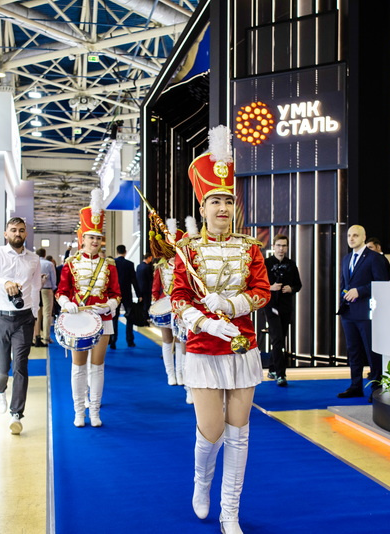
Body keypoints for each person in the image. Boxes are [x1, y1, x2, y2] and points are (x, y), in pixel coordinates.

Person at [170, 125, 270, 534]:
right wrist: (206, 320)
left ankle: (231, 512)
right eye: (215, 201)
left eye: (228, 201)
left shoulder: (250, 247)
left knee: (239, 433)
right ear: (203, 206)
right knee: (211, 431)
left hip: (242, 347)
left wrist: (231, 305)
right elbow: (178, 297)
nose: (223, 208)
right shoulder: (188, 251)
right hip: (203, 347)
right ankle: (201, 481)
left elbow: (262, 291)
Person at [56, 188, 121, 428]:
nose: (95, 241)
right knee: (78, 367)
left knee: (98, 367)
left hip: (103, 320)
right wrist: (66, 303)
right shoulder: (70, 264)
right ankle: (78, 411)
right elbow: (61, 291)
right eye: (91, 237)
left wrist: (110, 305)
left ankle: (94, 410)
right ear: (82, 239)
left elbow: (116, 293)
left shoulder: (109, 265)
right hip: (78, 320)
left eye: (98, 237)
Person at [0, 217, 41, 436]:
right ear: (6, 234)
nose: (17, 233)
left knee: (21, 366)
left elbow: (36, 287)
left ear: (26, 234)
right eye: (13, 230)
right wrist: (3, 282)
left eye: (21, 230)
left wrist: (35, 315)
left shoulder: (34, 258)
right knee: (2, 366)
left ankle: (17, 414)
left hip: (24, 319)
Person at [336, 225, 390, 399]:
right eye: (349, 236)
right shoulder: (346, 259)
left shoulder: (374, 258)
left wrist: (360, 291)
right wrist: (343, 297)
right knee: (353, 351)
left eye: (355, 235)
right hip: (348, 312)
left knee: (371, 352)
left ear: (363, 237)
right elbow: (344, 284)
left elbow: (382, 283)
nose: (351, 239)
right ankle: (355, 386)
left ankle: (376, 388)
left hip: (367, 313)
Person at [150, 219, 188, 395]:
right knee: (167, 341)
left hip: (181, 307)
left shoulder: (186, 265)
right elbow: (156, 287)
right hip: (165, 306)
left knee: (180, 340)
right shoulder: (160, 265)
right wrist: (156, 305)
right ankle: (170, 373)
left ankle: (180, 374)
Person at [263, 234, 302, 387]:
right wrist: (270, 287)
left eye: (284, 246)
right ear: (273, 246)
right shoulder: (265, 263)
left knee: (280, 338)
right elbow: (256, 284)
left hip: (286, 306)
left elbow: (298, 285)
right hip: (271, 305)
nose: (281, 248)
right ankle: (281, 374)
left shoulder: (291, 264)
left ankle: (272, 369)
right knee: (277, 338)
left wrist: (291, 288)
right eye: (278, 245)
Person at [110, 244, 141, 349]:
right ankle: (130, 341)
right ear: (125, 252)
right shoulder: (130, 264)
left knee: (114, 317)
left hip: (115, 295)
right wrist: (139, 294)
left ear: (117, 251)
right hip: (127, 294)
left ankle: (113, 341)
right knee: (129, 317)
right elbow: (134, 280)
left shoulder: (113, 263)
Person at [34, 248, 56, 347]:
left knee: (37, 314)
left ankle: (36, 337)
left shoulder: (34, 263)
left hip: (36, 290)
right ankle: (46, 338)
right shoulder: (49, 264)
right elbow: (53, 278)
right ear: (44, 254)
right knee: (47, 314)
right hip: (47, 289)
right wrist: (54, 288)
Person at [136, 252, 154, 316]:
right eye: (151, 258)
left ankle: (141, 316)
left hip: (139, 287)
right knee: (147, 303)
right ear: (148, 258)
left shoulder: (138, 266)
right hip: (147, 288)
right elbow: (150, 279)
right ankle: (146, 317)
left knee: (141, 303)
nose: (151, 260)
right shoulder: (148, 267)